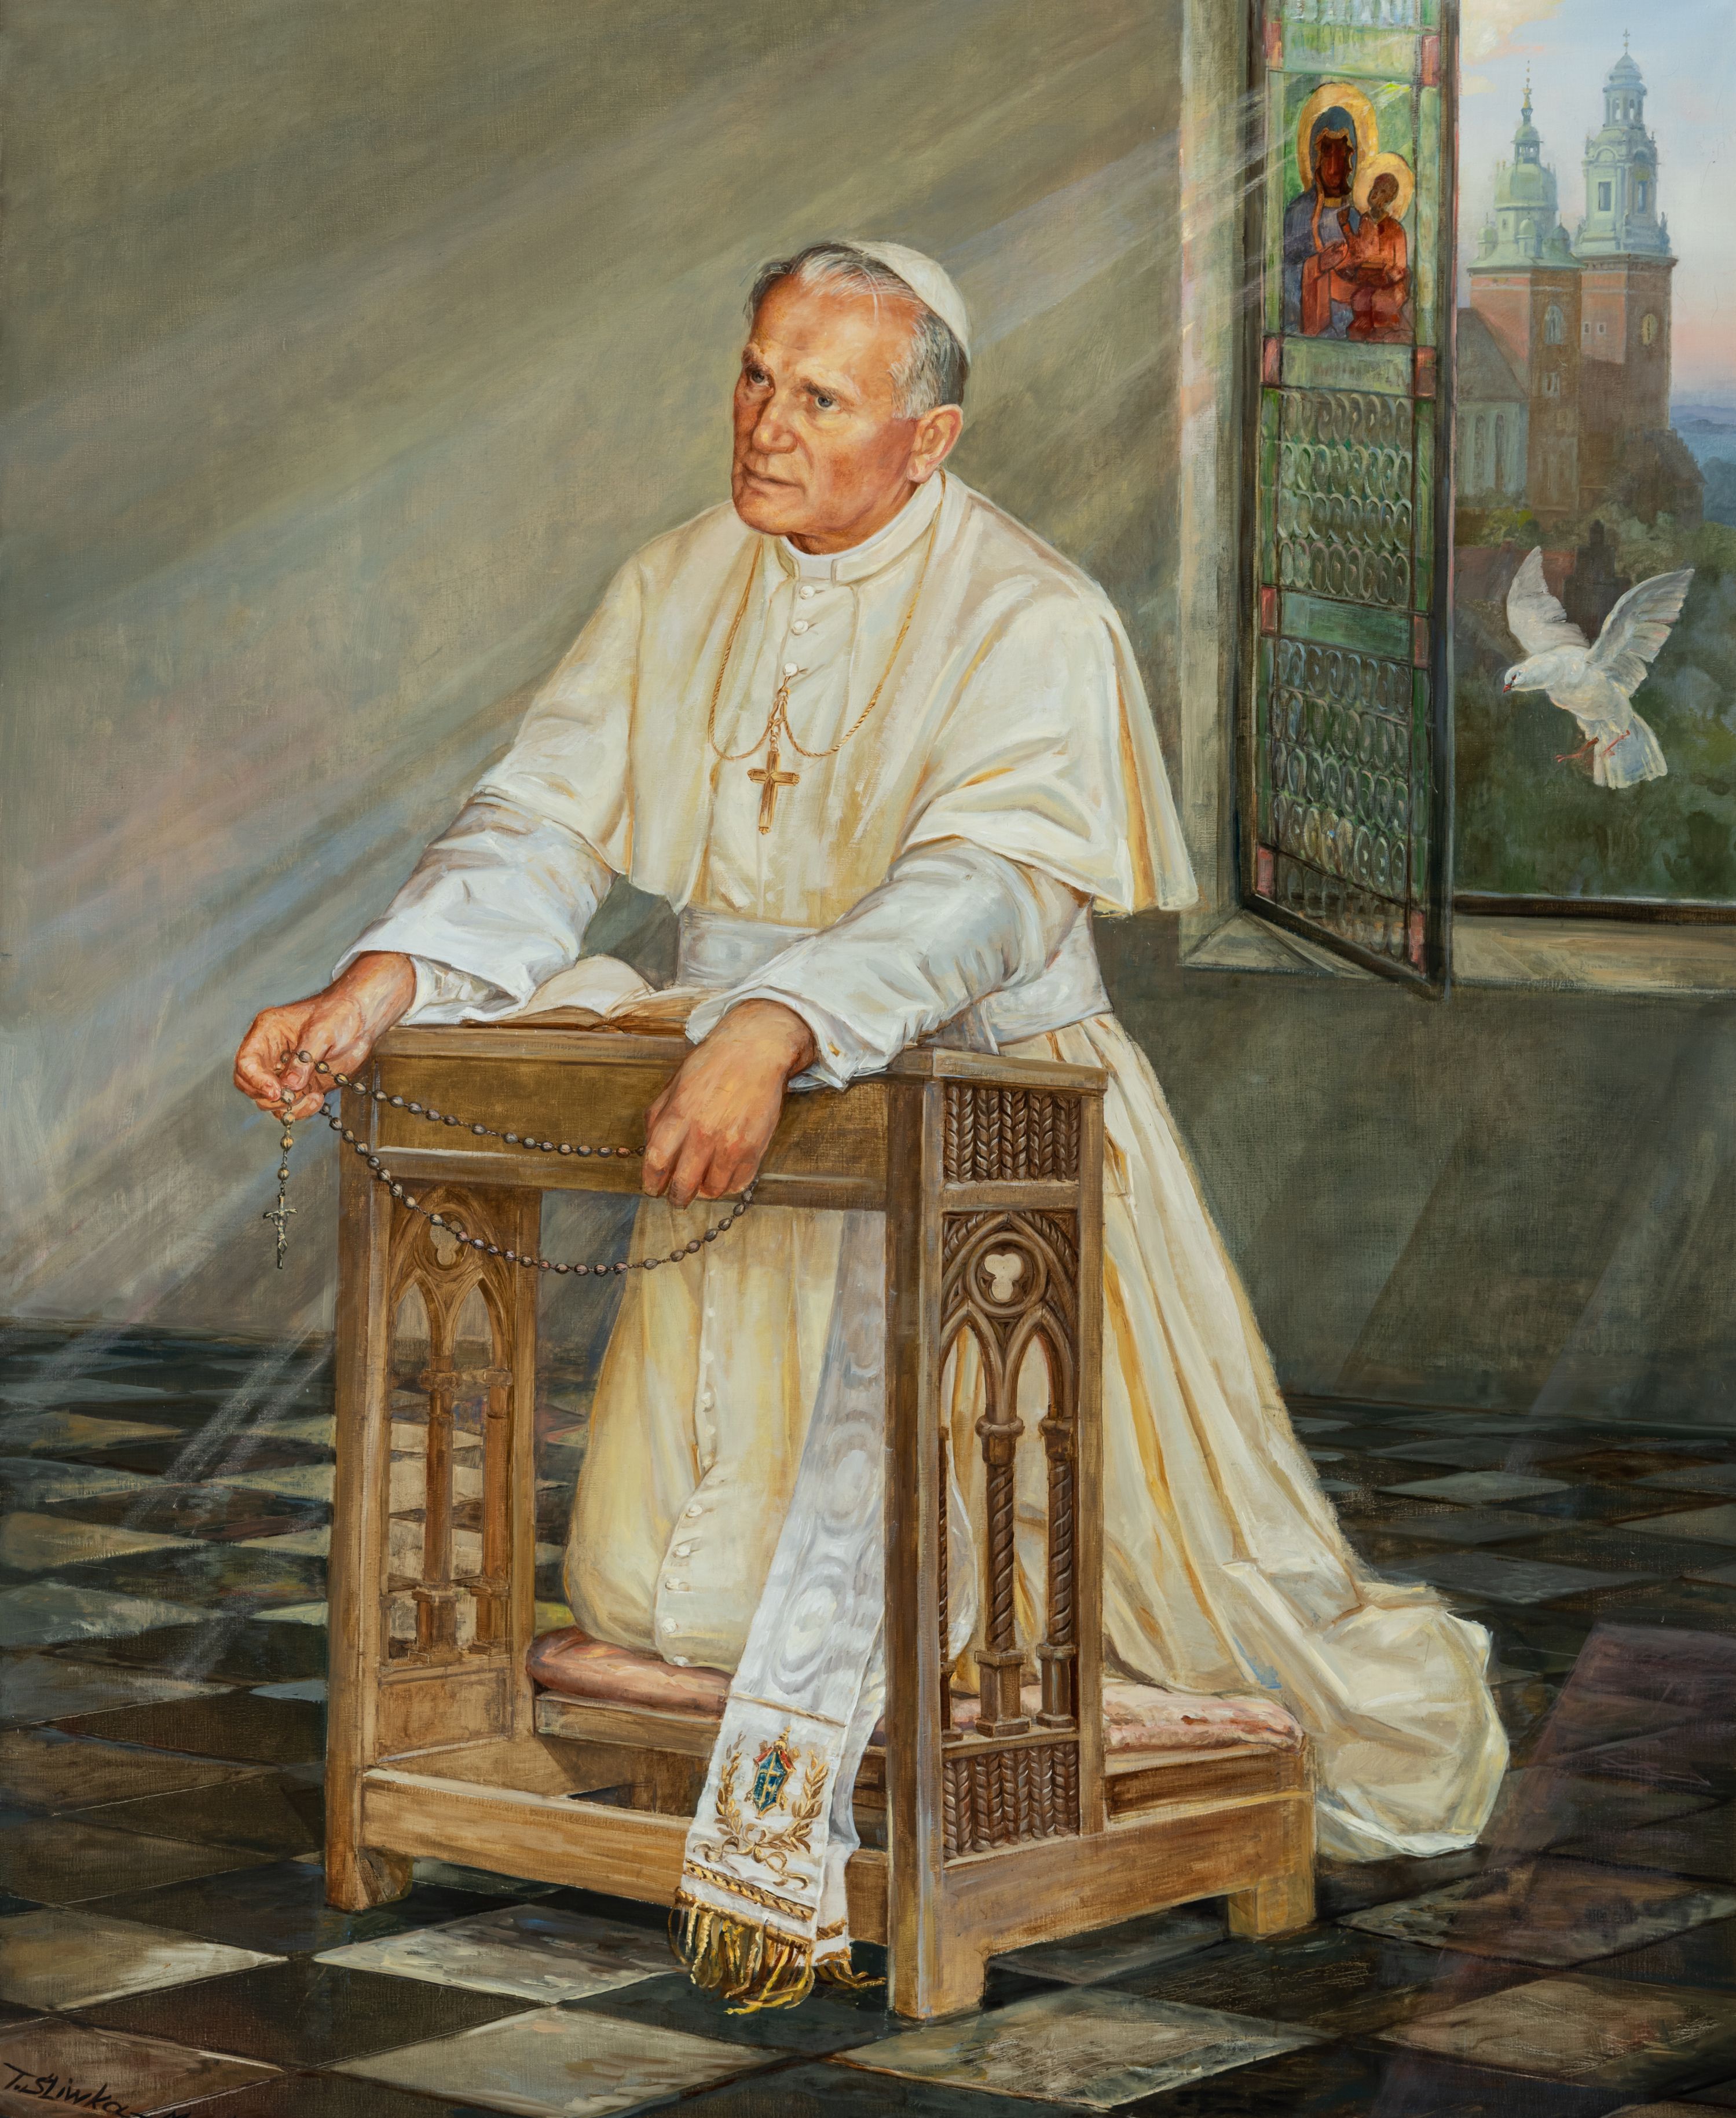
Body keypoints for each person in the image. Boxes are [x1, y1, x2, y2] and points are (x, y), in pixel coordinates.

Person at [235, 239, 1505, 2002]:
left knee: (1039, 1587)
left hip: (988, 1124)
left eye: (819, 397)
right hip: (746, 1113)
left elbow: (985, 882)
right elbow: (544, 819)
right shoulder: (678, 577)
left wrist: (784, 1018)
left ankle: (1032, 1789)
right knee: (659, 1585)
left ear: (927, 438)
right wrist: (381, 982)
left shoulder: (1031, 612)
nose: (763, 423)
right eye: (755, 375)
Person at [1284, 111, 1361, 338]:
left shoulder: (1355, 218)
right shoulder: (1298, 213)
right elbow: (1283, 277)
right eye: (1328, 154)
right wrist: (1318, 265)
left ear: (1351, 160)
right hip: (1310, 332)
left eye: (1342, 155)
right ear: (1315, 158)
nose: (1335, 167)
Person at [1339, 169, 1410, 343]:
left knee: (1380, 301)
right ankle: (1363, 333)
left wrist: (1386, 278)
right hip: (1368, 281)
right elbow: (1358, 252)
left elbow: (1401, 267)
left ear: (1389, 199)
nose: (1375, 193)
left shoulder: (1396, 229)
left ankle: (1383, 335)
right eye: (1375, 188)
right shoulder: (1365, 222)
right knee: (1360, 299)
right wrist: (1345, 225)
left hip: (1391, 286)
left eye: (1382, 191)